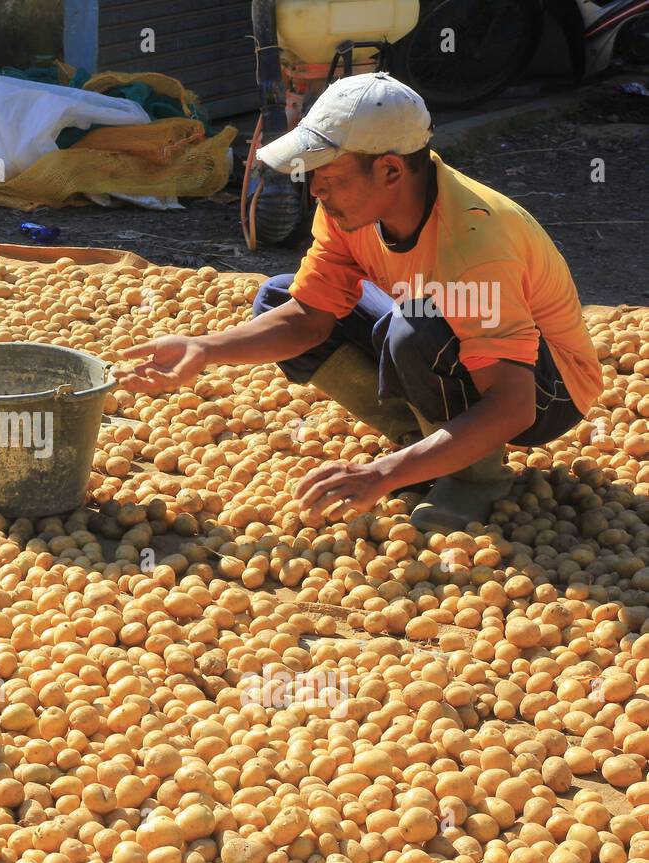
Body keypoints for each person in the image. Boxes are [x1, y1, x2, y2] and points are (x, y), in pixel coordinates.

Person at [117, 72, 599, 533]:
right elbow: (309, 317)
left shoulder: (474, 242)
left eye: (328, 173)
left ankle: (474, 476)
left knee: (417, 324)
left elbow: (514, 406)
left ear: (390, 169)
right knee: (278, 297)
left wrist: (381, 476)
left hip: (549, 389)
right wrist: (205, 349)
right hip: (458, 341)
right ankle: (424, 446)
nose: (316, 187)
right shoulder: (348, 211)